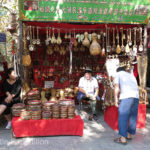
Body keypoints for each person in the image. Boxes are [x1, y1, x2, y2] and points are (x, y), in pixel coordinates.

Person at [113, 63, 139, 145]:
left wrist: (116, 99)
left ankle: (122, 138)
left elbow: (116, 87)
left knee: (123, 117)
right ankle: (129, 135)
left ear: (117, 71)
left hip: (126, 97)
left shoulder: (118, 74)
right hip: (136, 97)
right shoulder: (131, 75)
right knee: (132, 116)